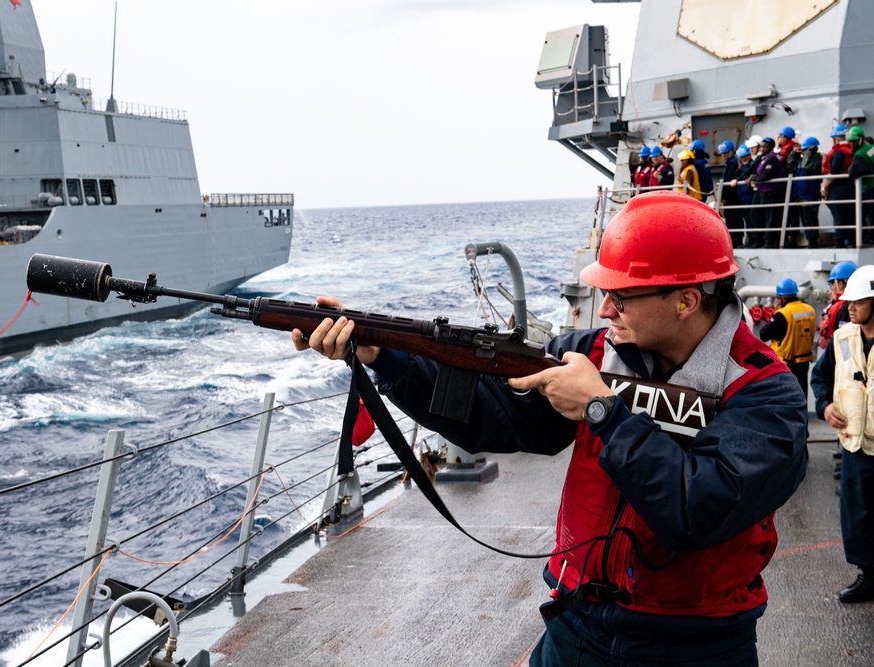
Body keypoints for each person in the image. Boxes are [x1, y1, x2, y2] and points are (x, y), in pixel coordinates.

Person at [294, 191, 808, 665]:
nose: (604, 309)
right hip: (576, 622)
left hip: (697, 644)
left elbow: (698, 509)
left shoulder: (767, 394)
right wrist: (383, 356)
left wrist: (603, 411)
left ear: (686, 301)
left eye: (621, 296)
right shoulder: (592, 353)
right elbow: (494, 414)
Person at [811, 264, 874, 603]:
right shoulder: (843, 338)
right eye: (849, 301)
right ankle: (869, 575)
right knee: (857, 513)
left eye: (859, 301)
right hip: (855, 442)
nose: (850, 307)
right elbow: (820, 377)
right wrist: (824, 407)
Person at [758, 278, 815, 399]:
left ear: (781, 298)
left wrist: (775, 313)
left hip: (786, 364)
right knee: (801, 396)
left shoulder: (782, 314)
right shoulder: (810, 310)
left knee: (784, 398)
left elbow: (763, 335)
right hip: (803, 362)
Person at [749, 137, 786, 248]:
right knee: (767, 217)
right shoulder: (765, 159)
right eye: (761, 146)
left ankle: (770, 242)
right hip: (765, 193)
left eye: (765, 147)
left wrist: (753, 177)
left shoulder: (772, 159)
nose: (762, 148)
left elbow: (766, 175)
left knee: (772, 218)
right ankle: (768, 240)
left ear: (771, 147)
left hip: (772, 193)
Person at [822, 124, 855, 248]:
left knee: (839, 216)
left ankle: (839, 242)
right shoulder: (852, 151)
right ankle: (852, 240)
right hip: (851, 187)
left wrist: (824, 186)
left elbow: (834, 172)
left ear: (835, 139)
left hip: (839, 188)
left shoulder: (838, 153)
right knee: (850, 215)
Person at [818, 261, 858, 350]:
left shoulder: (844, 308)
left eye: (831, 284)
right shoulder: (843, 305)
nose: (829, 289)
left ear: (840, 284)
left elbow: (843, 340)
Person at [794, 137, 823, 248]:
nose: (803, 151)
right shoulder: (802, 160)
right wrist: (794, 154)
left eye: (805, 149)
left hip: (810, 194)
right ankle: (810, 239)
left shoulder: (816, 160)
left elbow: (806, 166)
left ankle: (813, 241)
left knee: (810, 218)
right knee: (805, 219)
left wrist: (807, 154)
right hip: (801, 194)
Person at [718, 141, 743, 247]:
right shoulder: (732, 162)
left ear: (732, 151)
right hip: (733, 196)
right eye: (723, 153)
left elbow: (728, 180)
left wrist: (724, 196)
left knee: (733, 219)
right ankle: (736, 240)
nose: (724, 155)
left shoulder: (732, 163)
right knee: (734, 219)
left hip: (732, 197)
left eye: (726, 153)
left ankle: (735, 241)